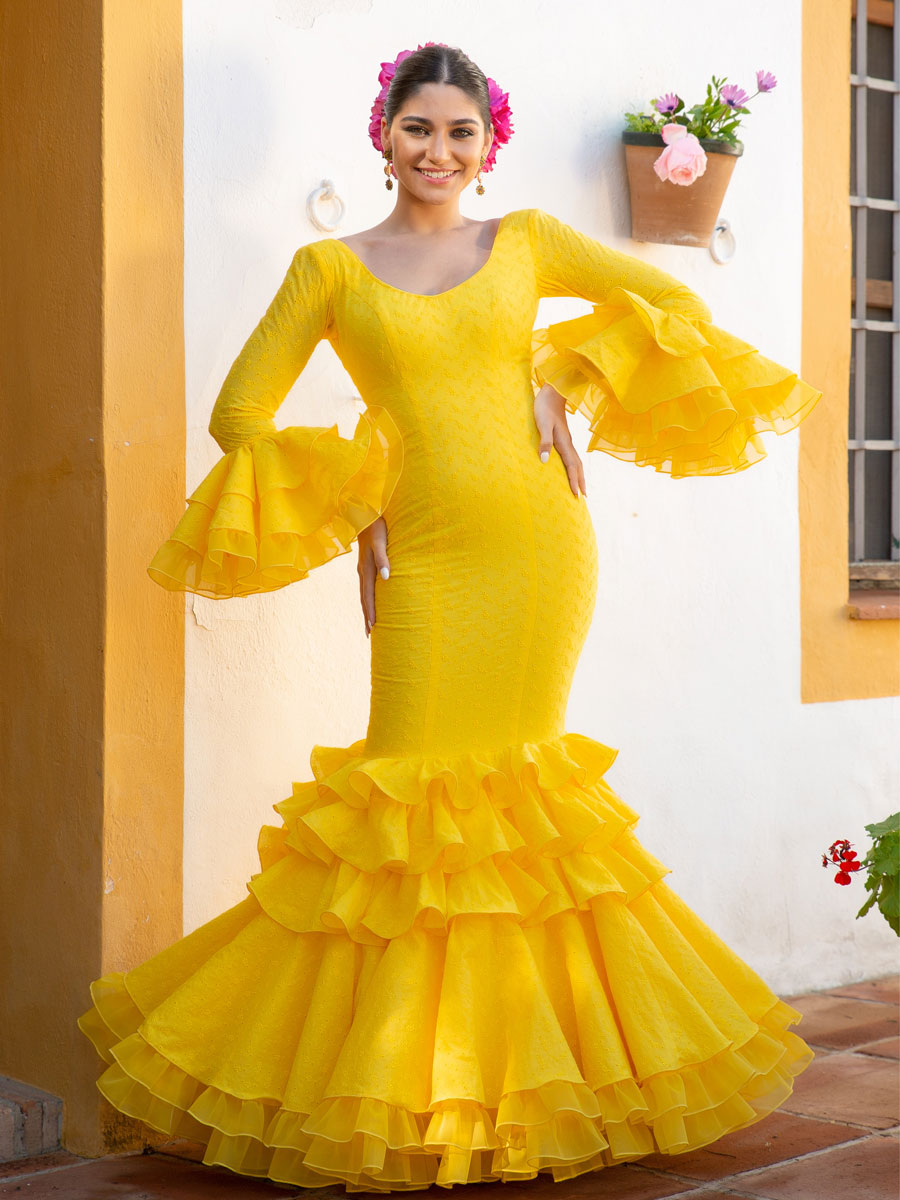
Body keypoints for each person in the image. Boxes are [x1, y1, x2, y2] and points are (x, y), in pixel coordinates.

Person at [77, 41, 822, 1194]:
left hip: (540, 545)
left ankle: (512, 1093)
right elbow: (238, 414)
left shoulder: (524, 243)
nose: (439, 151)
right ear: (384, 133)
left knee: (519, 814)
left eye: (461, 133)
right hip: (427, 558)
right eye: (419, 128)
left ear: (490, 144)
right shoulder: (330, 268)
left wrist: (562, 384)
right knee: (413, 802)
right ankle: (406, 1099)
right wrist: (355, 495)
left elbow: (669, 295)